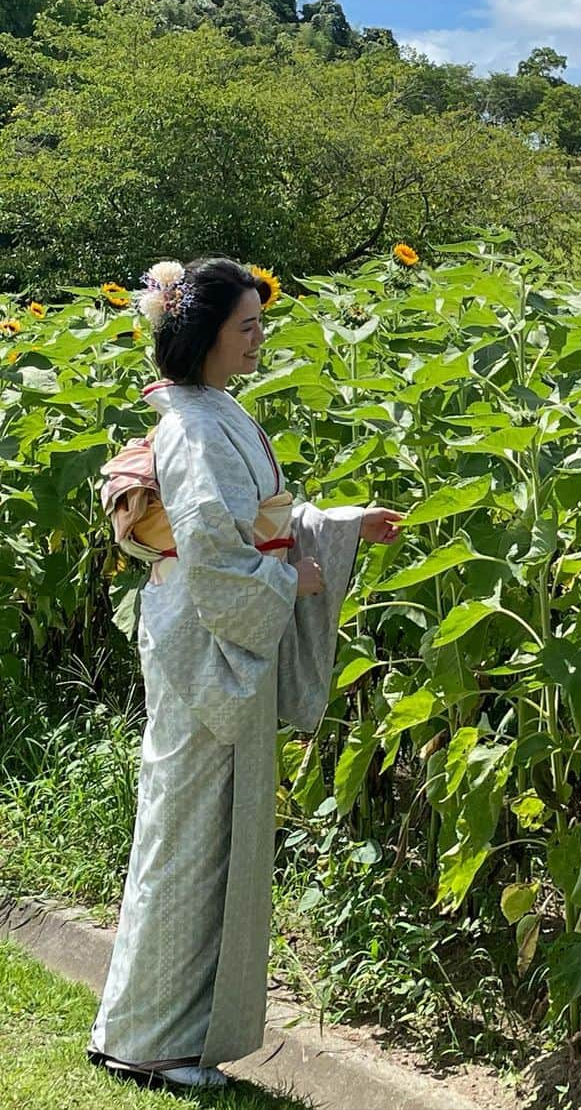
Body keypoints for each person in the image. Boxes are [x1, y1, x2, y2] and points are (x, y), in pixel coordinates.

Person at [86, 257, 403, 1090]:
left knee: (201, 830)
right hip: (204, 641)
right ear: (204, 336)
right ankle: (148, 1039)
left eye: (261, 323)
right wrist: (286, 579)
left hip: (211, 632)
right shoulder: (192, 426)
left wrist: (337, 526)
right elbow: (214, 545)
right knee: (188, 831)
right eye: (247, 327)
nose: (261, 338)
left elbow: (258, 520)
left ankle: (163, 1030)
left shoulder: (212, 409)